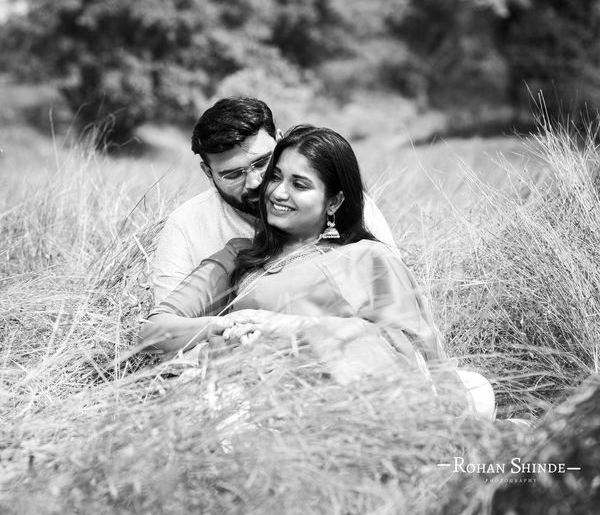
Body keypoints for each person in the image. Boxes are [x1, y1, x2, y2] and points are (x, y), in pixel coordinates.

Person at [140, 125, 495, 418]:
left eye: (300, 184)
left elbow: (410, 351)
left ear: (335, 201)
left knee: (477, 391)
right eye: (276, 177)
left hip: (348, 402)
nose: (277, 192)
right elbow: (154, 333)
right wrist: (222, 324)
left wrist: (295, 330)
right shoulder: (239, 256)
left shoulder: (367, 258)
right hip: (249, 402)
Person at [150, 97, 398, 303]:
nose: (255, 182)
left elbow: (394, 294)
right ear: (208, 173)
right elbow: (166, 332)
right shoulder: (186, 225)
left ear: (280, 142)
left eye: (261, 162)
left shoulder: (339, 203)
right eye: (233, 174)